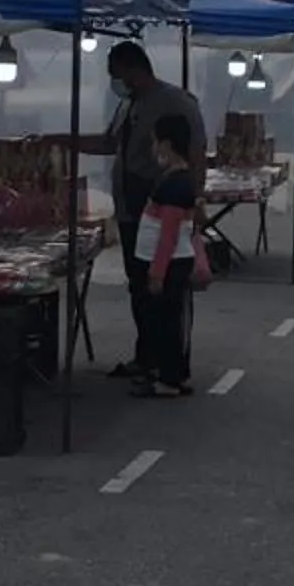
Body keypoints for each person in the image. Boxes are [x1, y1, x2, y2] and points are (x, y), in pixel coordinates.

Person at [45, 42, 206, 385]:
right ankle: (146, 357)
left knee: (162, 290)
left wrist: (196, 204)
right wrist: (58, 139)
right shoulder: (128, 104)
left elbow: (196, 151)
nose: (114, 82)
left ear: (133, 69)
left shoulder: (175, 102)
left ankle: (169, 367)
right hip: (133, 209)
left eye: (117, 74)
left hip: (165, 206)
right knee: (140, 287)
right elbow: (109, 143)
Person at [127, 117, 210, 400]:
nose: (152, 148)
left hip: (169, 262)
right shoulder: (177, 180)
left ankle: (168, 378)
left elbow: (168, 235)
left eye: (154, 141)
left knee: (164, 323)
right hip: (173, 260)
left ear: (165, 144)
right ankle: (176, 374)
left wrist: (157, 273)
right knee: (172, 321)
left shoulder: (175, 184)